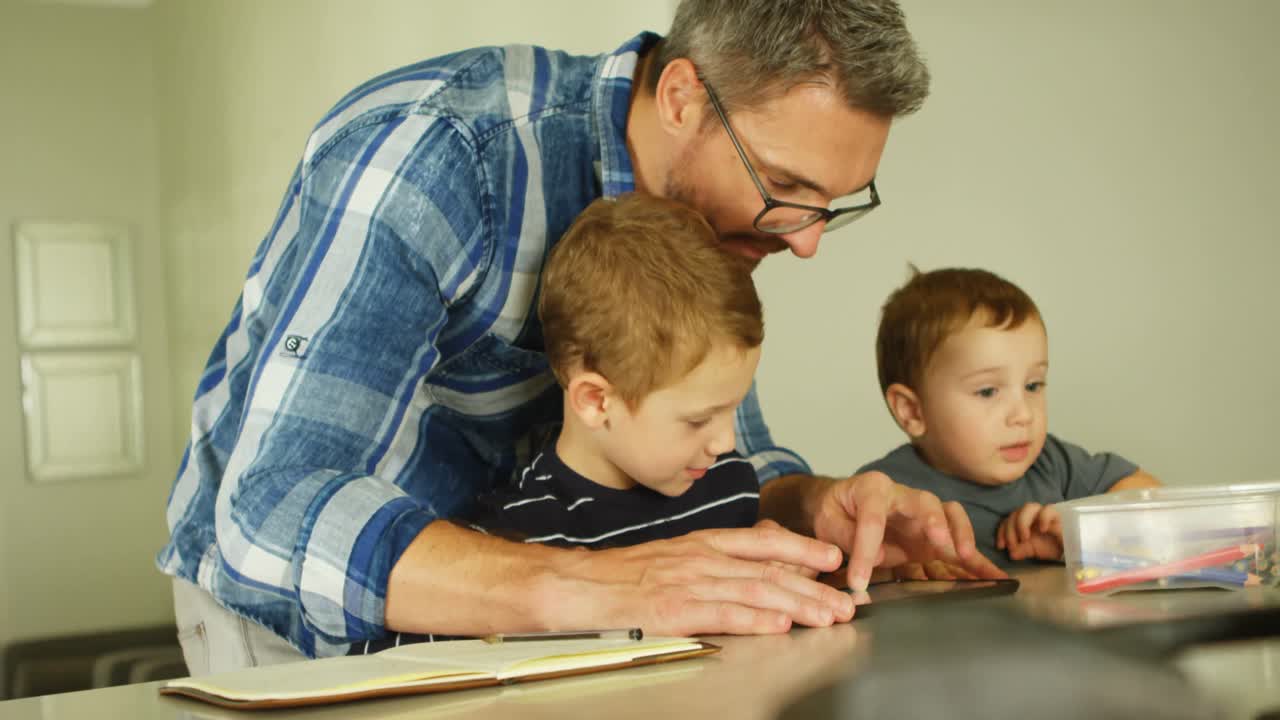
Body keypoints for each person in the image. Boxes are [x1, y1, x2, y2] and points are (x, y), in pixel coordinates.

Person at [159, 0, 1003, 672]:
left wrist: (811, 509)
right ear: (681, 98)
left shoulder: (705, 226)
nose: (807, 240)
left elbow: (707, 445)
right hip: (299, 622)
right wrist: (603, 585)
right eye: (785, 186)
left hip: (526, 626)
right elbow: (269, 514)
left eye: (833, 204)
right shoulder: (442, 153)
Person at [462, 194, 764, 547]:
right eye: (698, 420)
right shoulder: (518, 541)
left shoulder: (732, 488)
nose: (727, 443)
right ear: (595, 401)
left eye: (733, 409)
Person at [858, 267, 1161, 569]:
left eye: (1033, 386)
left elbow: (1151, 495)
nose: (1023, 415)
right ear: (912, 411)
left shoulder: (1052, 464)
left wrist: (1078, 533)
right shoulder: (884, 493)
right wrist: (895, 573)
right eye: (988, 391)